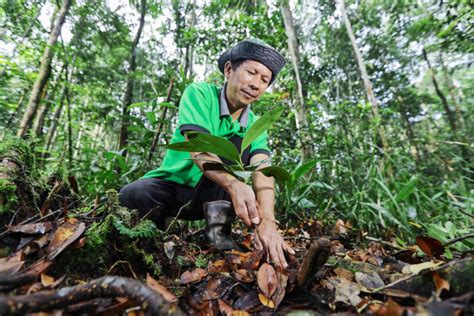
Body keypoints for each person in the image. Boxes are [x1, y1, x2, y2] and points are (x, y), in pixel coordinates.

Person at [120, 39, 295, 268]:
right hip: (175, 187)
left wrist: (269, 222)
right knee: (133, 194)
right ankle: (154, 240)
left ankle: (218, 233)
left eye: (264, 80)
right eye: (251, 73)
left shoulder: (254, 124)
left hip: (215, 196)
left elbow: (263, 166)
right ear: (229, 69)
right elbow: (199, 150)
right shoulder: (200, 94)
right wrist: (235, 184)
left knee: (241, 147)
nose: (256, 84)